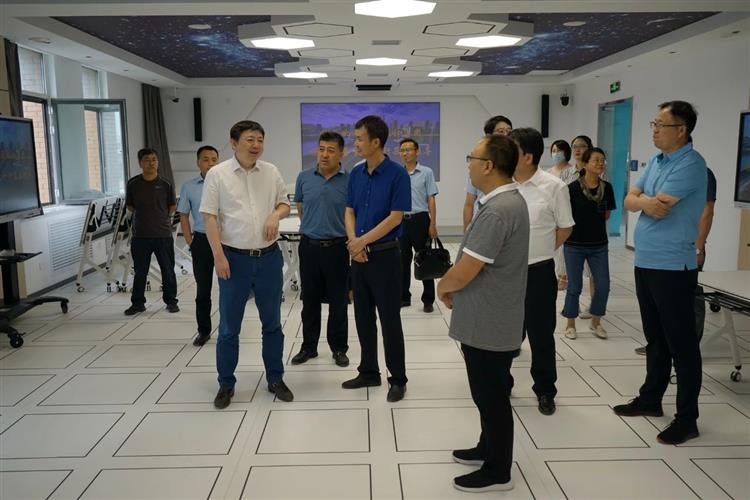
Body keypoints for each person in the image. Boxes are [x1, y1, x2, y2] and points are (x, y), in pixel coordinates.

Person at [438, 134, 528, 493]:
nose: (469, 166)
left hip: (490, 320)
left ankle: (498, 470)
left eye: (471, 159)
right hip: (491, 314)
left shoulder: (498, 210)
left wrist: (444, 286)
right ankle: (486, 446)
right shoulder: (504, 202)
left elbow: (467, 269)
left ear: (488, 166)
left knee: (491, 396)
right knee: (487, 392)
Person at [614, 100, 707, 445]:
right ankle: (651, 399)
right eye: (653, 124)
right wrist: (643, 201)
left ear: (681, 130)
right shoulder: (656, 161)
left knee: (681, 343)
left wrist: (643, 200)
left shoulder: (692, 164)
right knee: (655, 338)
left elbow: (661, 207)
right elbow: (630, 199)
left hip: (673, 266)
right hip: (646, 261)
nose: (654, 130)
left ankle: (687, 418)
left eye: (660, 125)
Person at [200, 120, 294, 408]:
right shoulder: (217, 174)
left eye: (260, 140)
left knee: (272, 324)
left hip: (269, 259)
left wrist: (275, 215)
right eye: (250, 139)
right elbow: (209, 217)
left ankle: (275, 378)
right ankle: (226, 383)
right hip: (234, 260)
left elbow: (284, 203)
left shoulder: (271, 171)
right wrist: (218, 257)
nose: (256, 145)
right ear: (234, 143)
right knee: (229, 327)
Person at [342, 115, 411, 402]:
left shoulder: (397, 174)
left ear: (376, 142)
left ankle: (398, 379)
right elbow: (349, 210)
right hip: (359, 257)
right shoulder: (356, 173)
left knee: (389, 319)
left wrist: (362, 241)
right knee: (363, 317)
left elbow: (395, 218)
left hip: (385, 256)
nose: (355, 143)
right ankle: (369, 371)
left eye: (359, 139)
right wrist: (354, 244)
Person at [508, 128, 574, 416]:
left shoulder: (554, 187)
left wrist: (542, 249)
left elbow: (565, 227)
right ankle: (503, 381)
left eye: (511, 150)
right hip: (505, 273)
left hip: (538, 271)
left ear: (527, 156)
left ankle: (545, 389)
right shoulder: (502, 183)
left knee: (541, 334)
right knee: (506, 332)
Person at [635, 166, 716, 355]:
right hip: (661, 251)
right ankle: (663, 345)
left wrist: (698, 247)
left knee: (691, 297)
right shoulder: (660, 171)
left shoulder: (701, 172)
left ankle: (689, 344)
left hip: (687, 248)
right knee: (661, 301)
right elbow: (636, 200)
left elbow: (708, 211)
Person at [291, 131, 350, 368]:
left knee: (339, 301)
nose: (324, 154)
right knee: (310, 301)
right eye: (321, 149)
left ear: (341, 154)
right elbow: (301, 207)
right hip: (310, 247)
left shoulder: (350, 180)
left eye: (331, 150)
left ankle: (339, 348)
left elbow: (353, 213)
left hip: (338, 248)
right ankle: (309, 347)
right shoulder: (304, 177)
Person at [561, 147, 615, 340]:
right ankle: (570, 323)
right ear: (585, 164)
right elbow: (565, 216)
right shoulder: (572, 189)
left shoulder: (607, 188)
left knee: (603, 285)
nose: (600, 163)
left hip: (599, 245)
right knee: (574, 286)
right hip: (574, 244)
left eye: (602, 160)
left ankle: (596, 322)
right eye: (596, 160)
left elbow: (607, 214)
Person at [124, 148, 179, 316]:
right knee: (140, 271)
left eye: (154, 159)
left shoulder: (166, 183)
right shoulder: (133, 183)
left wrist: (159, 218)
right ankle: (138, 303)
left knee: (167, 270)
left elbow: (172, 206)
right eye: (147, 160)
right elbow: (130, 206)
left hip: (163, 235)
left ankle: (171, 301)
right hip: (140, 235)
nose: (151, 163)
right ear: (140, 163)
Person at [178, 145, 220, 346]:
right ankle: (203, 330)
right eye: (206, 159)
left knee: (230, 288)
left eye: (214, 159)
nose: (210, 163)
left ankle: (229, 328)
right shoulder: (189, 186)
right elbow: (183, 215)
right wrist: (190, 241)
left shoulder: (226, 183)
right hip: (202, 241)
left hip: (226, 241)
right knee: (203, 289)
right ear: (198, 163)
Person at [398, 138, 439, 313]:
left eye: (409, 149)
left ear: (417, 152)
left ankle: (428, 300)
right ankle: (403, 297)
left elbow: (431, 198)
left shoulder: (426, 172)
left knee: (424, 259)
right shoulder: (397, 173)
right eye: (402, 150)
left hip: (420, 220)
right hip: (401, 220)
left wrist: (433, 223)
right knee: (402, 261)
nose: (405, 153)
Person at [463, 115, 513, 230]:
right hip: (481, 221)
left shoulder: (514, 164)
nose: (506, 135)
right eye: (501, 131)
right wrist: (466, 232)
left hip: (504, 222)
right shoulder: (479, 165)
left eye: (509, 131)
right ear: (489, 136)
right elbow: (469, 203)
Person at [547, 139, 577, 290]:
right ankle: (558, 274)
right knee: (555, 247)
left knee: (564, 246)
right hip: (551, 214)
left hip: (566, 212)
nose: (556, 154)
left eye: (559, 151)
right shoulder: (548, 173)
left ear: (566, 152)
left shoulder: (572, 172)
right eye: (553, 151)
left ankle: (564, 276)